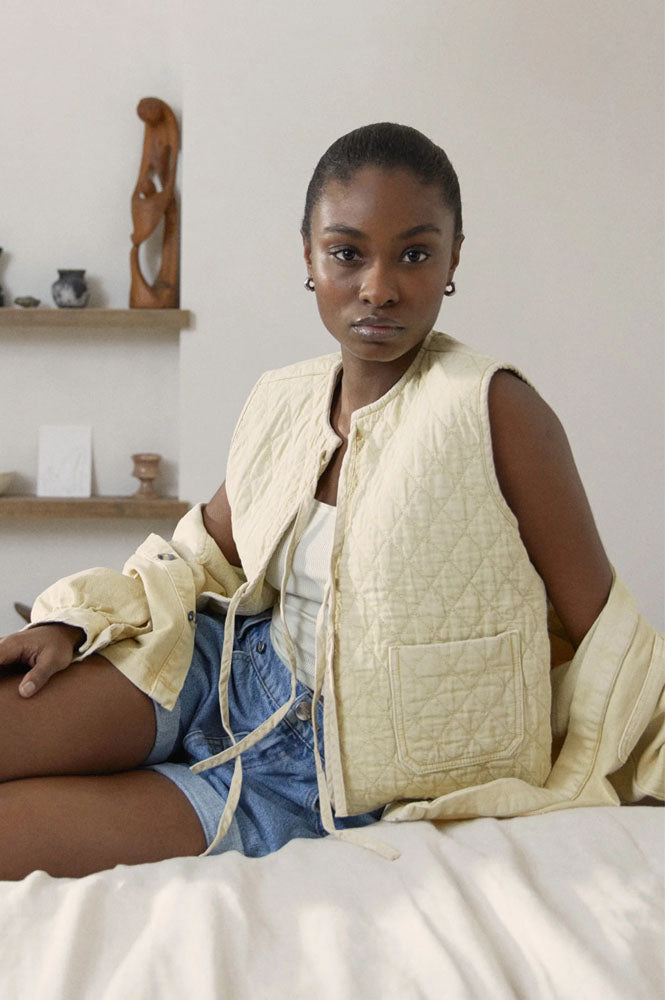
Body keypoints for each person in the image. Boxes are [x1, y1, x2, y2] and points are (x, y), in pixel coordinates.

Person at [0, 124, 661, 879]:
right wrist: (72, 620)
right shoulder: (283, 398)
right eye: (347, 253)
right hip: (208, 669)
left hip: (312, 782)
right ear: (309, 256)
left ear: (453, 258)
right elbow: (202, 556)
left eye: (415, 254)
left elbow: (610, 640)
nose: (378, 287)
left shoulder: (495, 409)